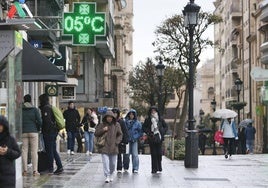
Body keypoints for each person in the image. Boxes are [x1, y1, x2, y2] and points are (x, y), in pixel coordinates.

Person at [94, 111, 122, 183]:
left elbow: (120, 134)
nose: (109, 118)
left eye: (110, 117)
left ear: (113, 118)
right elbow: (96, 133)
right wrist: (103, 130)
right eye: (108, 117)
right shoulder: (101, 125)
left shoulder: (117, 125)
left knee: (112, 163)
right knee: (105, 162)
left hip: (114, 147)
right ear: (105, 118)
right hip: (104, 146)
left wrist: (117, 142)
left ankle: (111, 173)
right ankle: (107, 175)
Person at [39, 94, 63, 175]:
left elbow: (47, 121)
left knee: (50, 151)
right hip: (53, 132)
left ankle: (50, 168)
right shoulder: (49, 107)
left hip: (49, 133)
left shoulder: (46, 108)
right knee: (53, 150)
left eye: (40, 100)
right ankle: (59, 166)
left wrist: (45, 131)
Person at [142, 106, 168, 174]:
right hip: (152, 138)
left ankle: (159, 167)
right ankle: (154, 169)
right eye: (152, 111)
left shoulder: (160, 119)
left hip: (159, 137)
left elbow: (166, 126)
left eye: (154, 110)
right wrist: (148, 132)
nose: (153, 112)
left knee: (159, 153)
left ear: (156, 111)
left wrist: (162, 131)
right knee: (153, 154)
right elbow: (144, 127)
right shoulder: (148, 119)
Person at [22, 94, 42, 176]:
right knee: (34, 151)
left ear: (24, 100)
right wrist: (37, 128)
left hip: (23, 132)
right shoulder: (35, 110)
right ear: (31, 101)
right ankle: (35, 171)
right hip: (33, 132)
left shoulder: (20, 110)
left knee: (24, 151)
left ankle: (25, 171)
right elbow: (40, 121)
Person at [0, 115, 21, 187]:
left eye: (0, 125)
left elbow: (18, 153)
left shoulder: (10, 139)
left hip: (7, 175)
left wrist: (7, 151)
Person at [123, 109, 143, 173]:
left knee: (135, 154)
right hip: (127, 140)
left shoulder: (138, 123)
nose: (131, 115)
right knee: (126, 154)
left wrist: (135, 137)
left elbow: (140, 132)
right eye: (130, 114)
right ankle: (126, 167)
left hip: (134, 140)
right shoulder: (125, 122)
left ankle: (135, 168)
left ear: (134, 115)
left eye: (133, 114)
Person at [112, 108, 129, 173]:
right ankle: (111, 167)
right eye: (113, 113)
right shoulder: (110, 121)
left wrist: (125, 140)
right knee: (111, 155)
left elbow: (125, 131)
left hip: (119, 140)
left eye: (115, 113)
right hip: (111, 140)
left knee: (119, 154)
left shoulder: (121, 121)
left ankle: (119, 167)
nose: (114, 114)